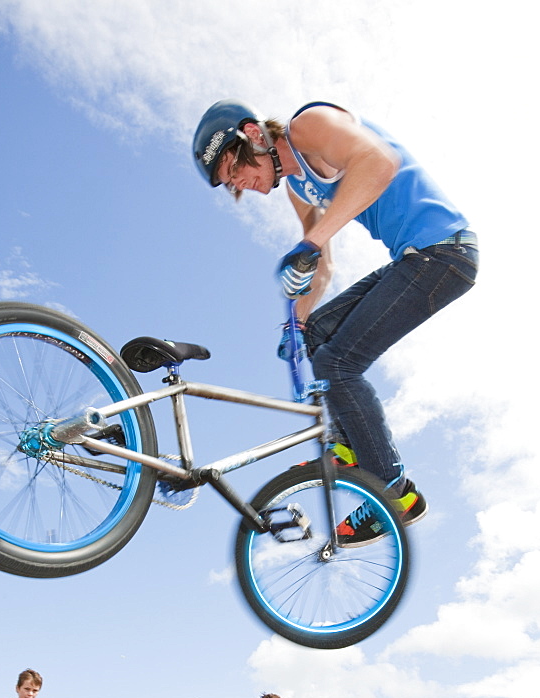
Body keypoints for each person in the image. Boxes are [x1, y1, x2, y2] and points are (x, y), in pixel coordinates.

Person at [193, 100, 478, 545]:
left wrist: (310, 240)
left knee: (338, 364)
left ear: (251, 133)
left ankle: (393, 495)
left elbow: (380, 162)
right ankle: (346, 449)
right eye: (232, 184)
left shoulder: (310, 125)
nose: (242, 185)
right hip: (413, 259)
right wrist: (297, 324)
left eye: (235, 170)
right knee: (320, 335)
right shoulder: (299, 190)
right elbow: (321, 266)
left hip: (444, 252)